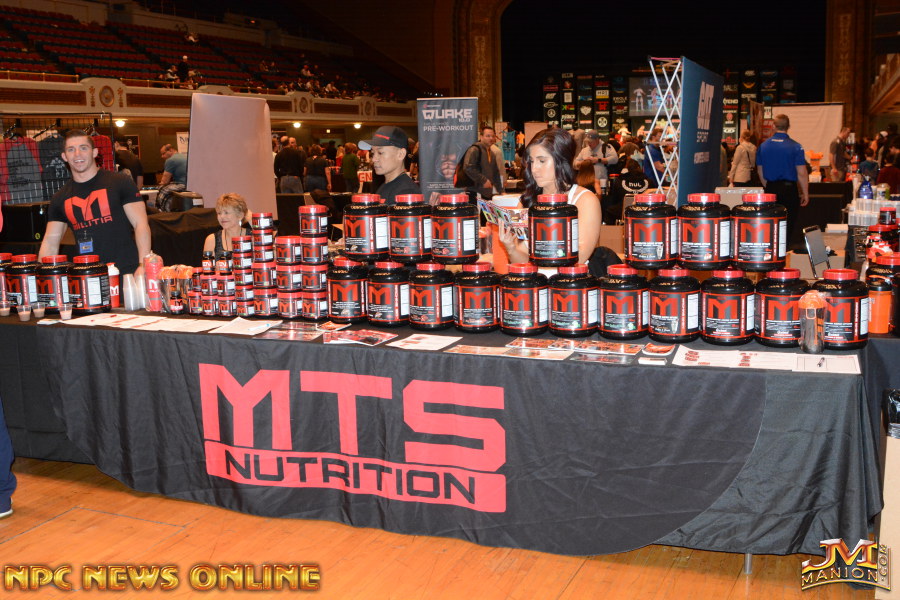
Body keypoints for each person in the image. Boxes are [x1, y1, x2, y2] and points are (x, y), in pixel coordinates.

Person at [39, 129, 151, 277]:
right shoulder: (60, 198)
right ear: (64, 156)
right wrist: (40, 277)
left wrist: (143, 265)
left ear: (94, 152)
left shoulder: (120, 182)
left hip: (126, 272)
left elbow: (141, 224)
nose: (77, 154)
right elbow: (50, 241)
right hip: (87, 276)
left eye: (83, 148)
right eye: (71, 150)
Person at [497, 127, 601, 265]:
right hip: (534, 278)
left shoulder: (585, 200)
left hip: (567, 278)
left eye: (542, 161)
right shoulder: (526, 201)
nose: (534, 169)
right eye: (532, 161)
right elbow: (523, 262)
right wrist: (511, 248)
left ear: (561, 160)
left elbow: (579, 257)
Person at [757, 113, 809, 246]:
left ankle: (772, 251)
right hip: (789, 190)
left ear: (773, 126)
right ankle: (784, 251)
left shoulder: (763, 146)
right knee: (787, 224)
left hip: (771, 188)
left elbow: (760, 171)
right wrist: (805, 193)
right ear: (788, 126)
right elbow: (802, 173)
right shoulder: (796, 146)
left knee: (771, 223)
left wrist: (768, 186)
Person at [358, 125, 419, 205]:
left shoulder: (406, 193)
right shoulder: (385, 186)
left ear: (401, 154)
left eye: (380, 153)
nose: (374, 159)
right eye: (373, 153)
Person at [461, 125, 503, 203]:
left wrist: (501, 190)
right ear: (481, 137)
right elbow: (468, 167)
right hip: (475, 192)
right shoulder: (474, 150)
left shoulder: (492, 154)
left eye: (493, 136)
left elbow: (496, 173)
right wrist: (483, 180)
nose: (491, 138)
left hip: (487, 193)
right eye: (488, 136)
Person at [574, 130, 618, 196]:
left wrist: (599, 160)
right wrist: (583, 162)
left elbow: (615, 159)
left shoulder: (606, 148)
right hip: (587, 184)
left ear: (597, 140)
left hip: (602, 184)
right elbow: (575, 163)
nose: (589, 143)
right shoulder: (585, 150)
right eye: (588, 141)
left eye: (591, 141)